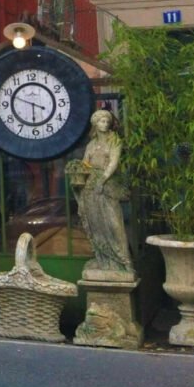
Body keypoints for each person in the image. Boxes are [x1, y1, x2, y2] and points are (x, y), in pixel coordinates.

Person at [77, 109, 133, 275]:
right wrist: (78, 172)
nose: (105, 124)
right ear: (95, 124)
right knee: (96, 224)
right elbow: (85, 164)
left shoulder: (114, 140)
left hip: (107, 186)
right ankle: (103, 260)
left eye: (107, 121)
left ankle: (123, 261)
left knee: (113, 223)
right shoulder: (91, 144)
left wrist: (103, 180)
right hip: (90, 187)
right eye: (101, 121)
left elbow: (113, 163)